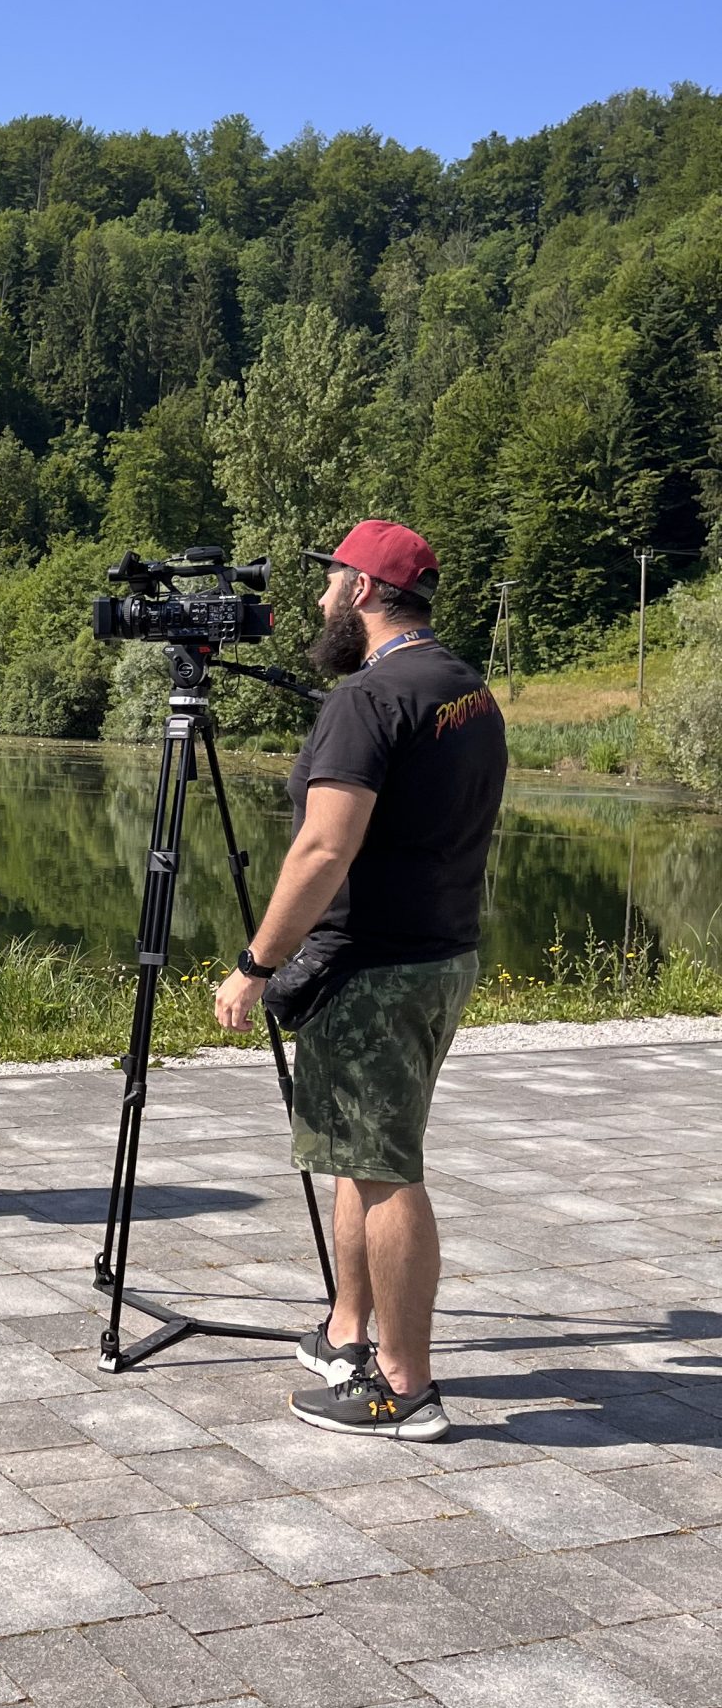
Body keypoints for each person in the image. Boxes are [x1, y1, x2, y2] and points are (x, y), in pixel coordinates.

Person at [214, 519, 507, 1441]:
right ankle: (348, 1334)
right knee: (356, 1152)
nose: (320, 598)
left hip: (374, 968)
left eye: (332, 580)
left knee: (383, 1170)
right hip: (438, 952)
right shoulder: (464, 688)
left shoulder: (368, 700)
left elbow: (324, 847)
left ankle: (405, 1387)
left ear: (368, 592)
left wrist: (256, 964)